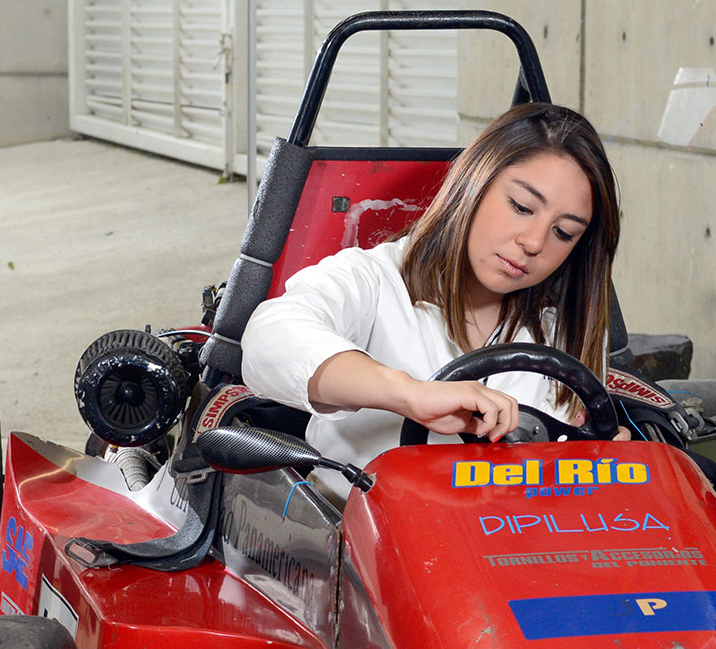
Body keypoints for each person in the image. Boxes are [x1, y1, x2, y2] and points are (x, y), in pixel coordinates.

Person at [240, 102, 625, 469]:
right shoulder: (375, 281)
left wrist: (595, 461)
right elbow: (270, 338)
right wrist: (410, 394)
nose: (535, 242)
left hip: (505, 529)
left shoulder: (569, 330)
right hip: (353, 526)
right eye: (522, 207)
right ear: (473, 184)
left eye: (564, 232)